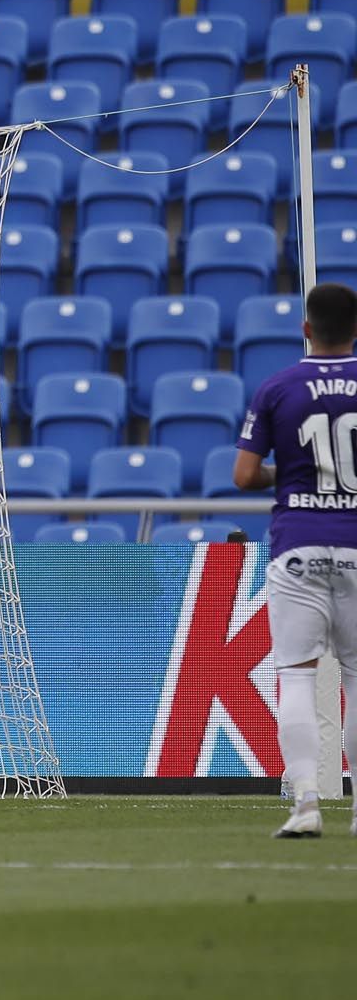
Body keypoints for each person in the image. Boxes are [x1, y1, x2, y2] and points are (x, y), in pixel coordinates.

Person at [233, 281, 357, 838]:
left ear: (306, 328)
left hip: (298, 547)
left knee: (299, 680)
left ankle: (307, 805)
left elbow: (242, 476)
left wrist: (294, 475)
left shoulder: (278, 386)